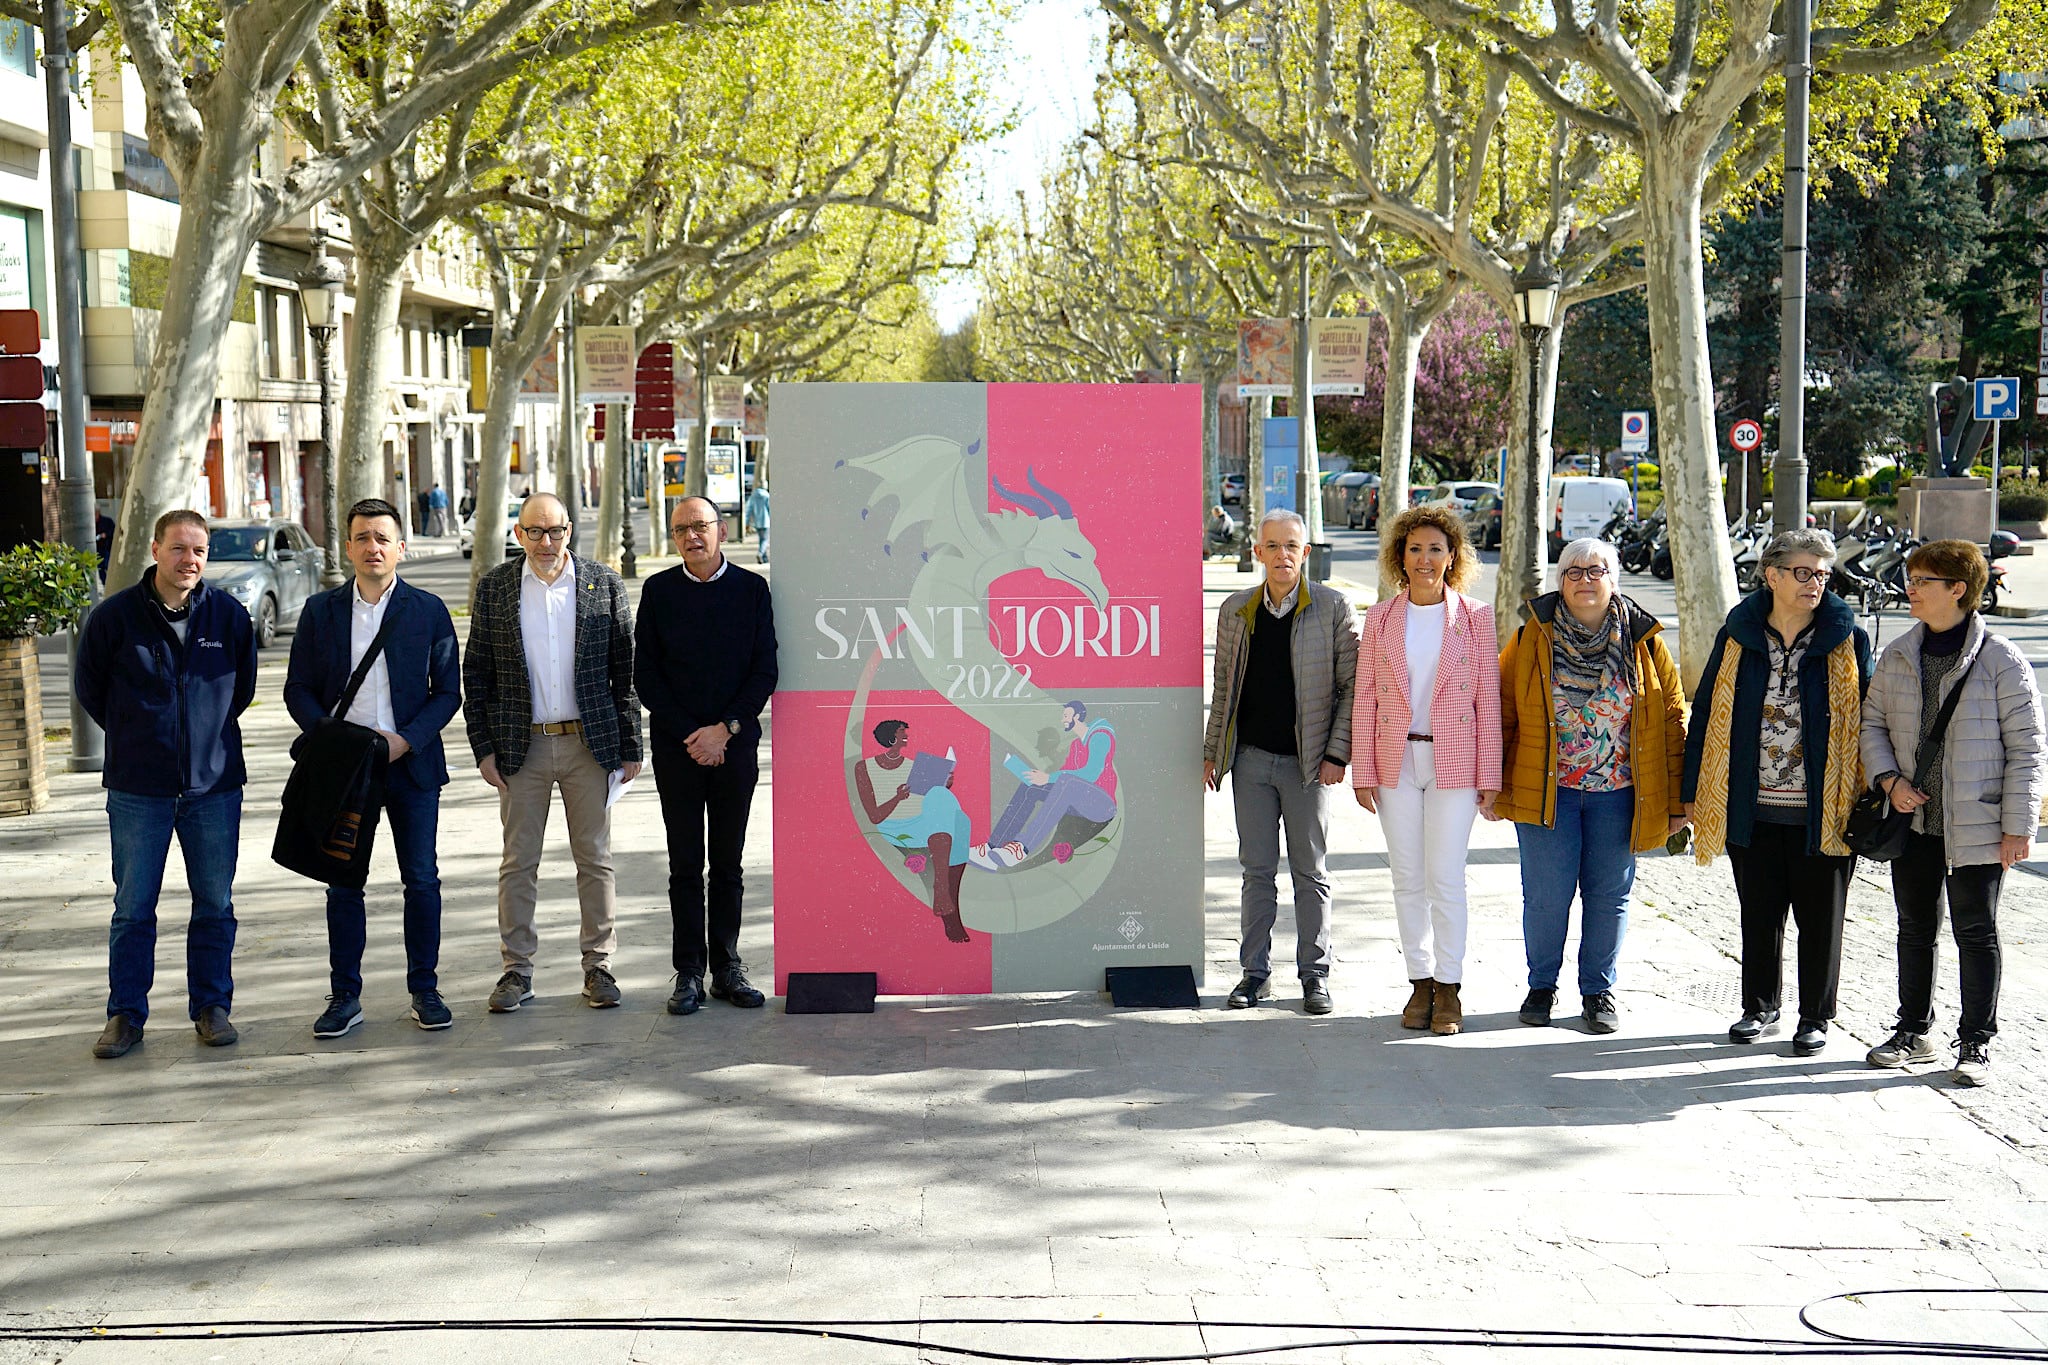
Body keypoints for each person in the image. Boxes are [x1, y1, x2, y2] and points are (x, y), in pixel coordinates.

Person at [1860, 539, 2045, 1086]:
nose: (1909, 589)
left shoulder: (2000, 659)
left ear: (1958, 590)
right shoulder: (1897, 654)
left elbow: (2029, 748)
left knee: (1976, 931)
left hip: (1979, 822)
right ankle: (1913, 1031)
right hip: (1912, 821)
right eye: (1911, 579)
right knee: (1914, 929)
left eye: (1922, 581)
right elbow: (1871, 727)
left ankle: (1975, 1043)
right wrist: (1889, 780)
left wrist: (2019, 825)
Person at [74, 509, 258, 1058]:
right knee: (132, 907)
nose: (190, 560)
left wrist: (201, 736)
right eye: (179, 549)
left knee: (215, 902)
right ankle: (125, 1016)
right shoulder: (114, 619)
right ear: (155, 550)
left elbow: (240, 691)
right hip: (138, 788)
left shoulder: (228, 618)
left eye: (199, 551)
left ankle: (211, 1007)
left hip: (214, 787)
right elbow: (91, 690)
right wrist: (141, 735)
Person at [1682, 530, 1872, 1056]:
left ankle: (1815, 1016)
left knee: (1821, 919)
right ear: (1772, 575)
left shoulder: (1846, 638)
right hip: (1751, 802)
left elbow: (1871, 718)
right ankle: (1759, 1006)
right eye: (1803, 572)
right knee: (1759, 914)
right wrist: (1693, 789)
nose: (1815, 582)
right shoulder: (1739, 634)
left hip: (1824, 807)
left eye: (1823, 573)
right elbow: (1705, 713)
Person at [284, 498, 462, 1037]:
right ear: (348, 546)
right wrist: (332, 739)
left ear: (400, 548)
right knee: (342, 884)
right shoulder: (321, 612)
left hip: (410, 766)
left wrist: (406, 740)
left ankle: (424, 989)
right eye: (362, 537)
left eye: (383, 538)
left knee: (422, 879)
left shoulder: (428, 610)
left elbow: (447, 691)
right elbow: (298, 688)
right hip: (346, 771)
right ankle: (344, 996)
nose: (373, 547)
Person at [1498, 537, 1686, 1033]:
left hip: (1620, 795)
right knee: (1544, 895)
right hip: (1546, 793)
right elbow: (1504, 715)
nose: (1585, 580)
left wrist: (1677, 799)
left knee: (1609, 895)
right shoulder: (1529, 639)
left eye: (1596, 571)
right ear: (1560, 582)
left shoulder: (1646, 643)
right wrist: (1495, 788)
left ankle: (1598, 991)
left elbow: (1671, 719)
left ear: (1613, 579)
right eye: (1573, 571)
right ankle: (1541, 986)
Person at [463, 492, 643, 1012]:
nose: (546, 542)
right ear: (517, 534)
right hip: (522, 746)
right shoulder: (496, 587)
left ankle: (599, 967)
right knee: (518, 863)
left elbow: (623, 672)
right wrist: (483, 747)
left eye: (556, 531)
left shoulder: (602, 583)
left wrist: (631, 744)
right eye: (534, 532)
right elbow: (477, 673)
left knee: (596, 859)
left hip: (590, 744)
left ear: (570, 531)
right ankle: (516, 972)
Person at [1350, 506, 1501, 1036]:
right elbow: (1365, 699)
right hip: (1395, 762)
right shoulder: (1380, 618)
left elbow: (1488, 698)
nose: (1425, 559)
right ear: (1400, 557)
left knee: (1446, 876)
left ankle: (1450, 987)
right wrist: (1362, 770)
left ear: (1453, 556)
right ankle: (1419, 983)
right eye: (1415, 549)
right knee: (1407, 876)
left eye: (1436, 549)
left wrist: (1491, 776)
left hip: (1454, 762)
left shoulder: (1476, 618)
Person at [1203, 508, 1359, 1015]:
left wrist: (1338, 752)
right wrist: (1213, 752)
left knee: (1310, 872)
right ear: (1258, 553)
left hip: (1308, 765)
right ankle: (1254, 975)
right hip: (1250, 761)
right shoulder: (1236, 610)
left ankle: (1315, 977)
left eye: (1291, 545)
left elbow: (1351, 688)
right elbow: (1222, 686)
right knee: (1256, 872)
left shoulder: (1333, 607)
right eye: (1272, 546)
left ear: (1306, 552)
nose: (1282, 555)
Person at [636, 495, 778, 1015]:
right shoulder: (657, 591)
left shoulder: (751, 590)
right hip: (678, 751)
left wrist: (725, 730)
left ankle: (727, 967)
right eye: (680, 530)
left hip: (735, 748)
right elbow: (645, 675)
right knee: (683, 865)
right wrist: (693, 735)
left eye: (700, 526)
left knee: (729, 865)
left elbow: (765, 670)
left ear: (721, 530)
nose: (691, 537)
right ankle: (688, 972)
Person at [856, 719, 973, 943]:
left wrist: (942, 784)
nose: (906, 736)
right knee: (959, 821)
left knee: (950, 806)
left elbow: (928, 801)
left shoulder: (913, 767)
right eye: (902, 733)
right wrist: (897, 798)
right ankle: (948, 907)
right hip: (895, 825)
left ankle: (941, 888)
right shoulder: (864, 768)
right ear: (891, 737)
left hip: (925, 824)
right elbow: (874, 817)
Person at [971, 700, 1117, 869]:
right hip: (1079, 799)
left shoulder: (1100, 735)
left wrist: (1048, 778)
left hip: (1102, 804)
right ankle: (992, 848)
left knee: (1065, 781)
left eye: (1066, 716)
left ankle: (1022, 847)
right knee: (1030, 787)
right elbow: (1063, 776)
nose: (1063, 720)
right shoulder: (1076, 745)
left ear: (1077, 716)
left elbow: (1091, 773)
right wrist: (1037, 779)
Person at [743, 482, 771, 562]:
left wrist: (747, 522)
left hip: (757, 522)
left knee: (761, 539)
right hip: (766, 521)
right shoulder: (767, 496)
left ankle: (764, 558)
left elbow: (748, 511)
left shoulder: (753, 496)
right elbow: (770, 509)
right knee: (765, 540)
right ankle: (760, 554)